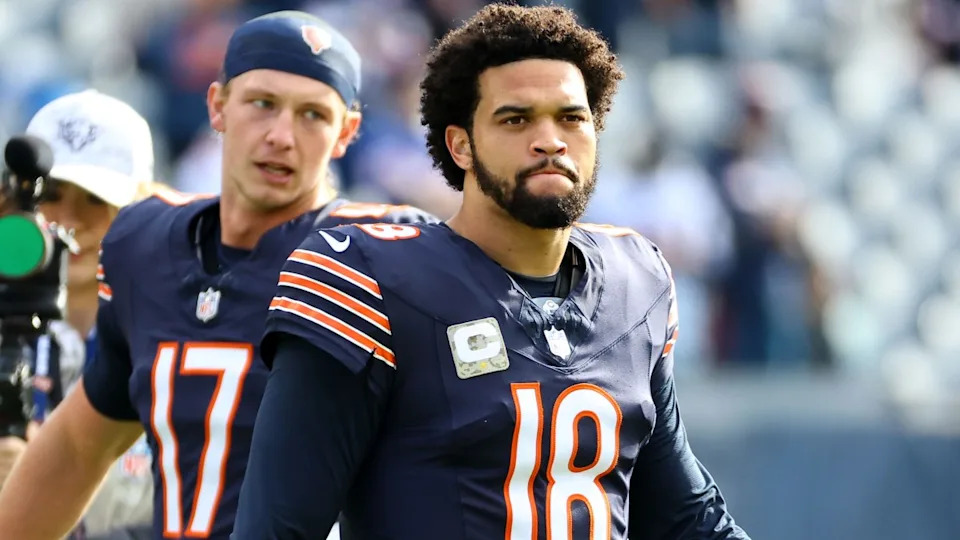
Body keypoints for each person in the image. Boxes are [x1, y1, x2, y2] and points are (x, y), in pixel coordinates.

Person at [232, 4, 751, 539]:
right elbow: (277, 530)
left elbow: (685, 519)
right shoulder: (370, 277)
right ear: (460, 144)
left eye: (571, 117)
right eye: (516, 118)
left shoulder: (636, 281)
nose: (550, 139)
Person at [0, 10, 435, 540]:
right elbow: (78, 447)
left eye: (313, 116)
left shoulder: (381, 252)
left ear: (347, 132)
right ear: (217, 106)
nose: (281, 135)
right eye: (262, 104)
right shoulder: (147, 244)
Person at [0, 89, 159, 539]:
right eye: (50, 195)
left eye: (95, 198)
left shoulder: (177, 331)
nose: (68, 219)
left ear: (144, 203)